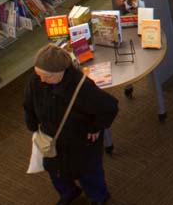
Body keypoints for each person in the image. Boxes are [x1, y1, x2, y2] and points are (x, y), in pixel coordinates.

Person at [24, 44, 118, 205]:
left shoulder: (82, 88)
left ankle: (98, 198)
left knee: (89, 173)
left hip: (80, 143)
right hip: (52, 140)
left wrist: (96, 126)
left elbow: (109, 107)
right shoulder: (36, 80)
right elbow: (28, 103)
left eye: (47, 76)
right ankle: (69, 192)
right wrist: (32, 125)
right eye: (38, 74)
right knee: (55, 171)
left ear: (61, 71)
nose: (42, 80)